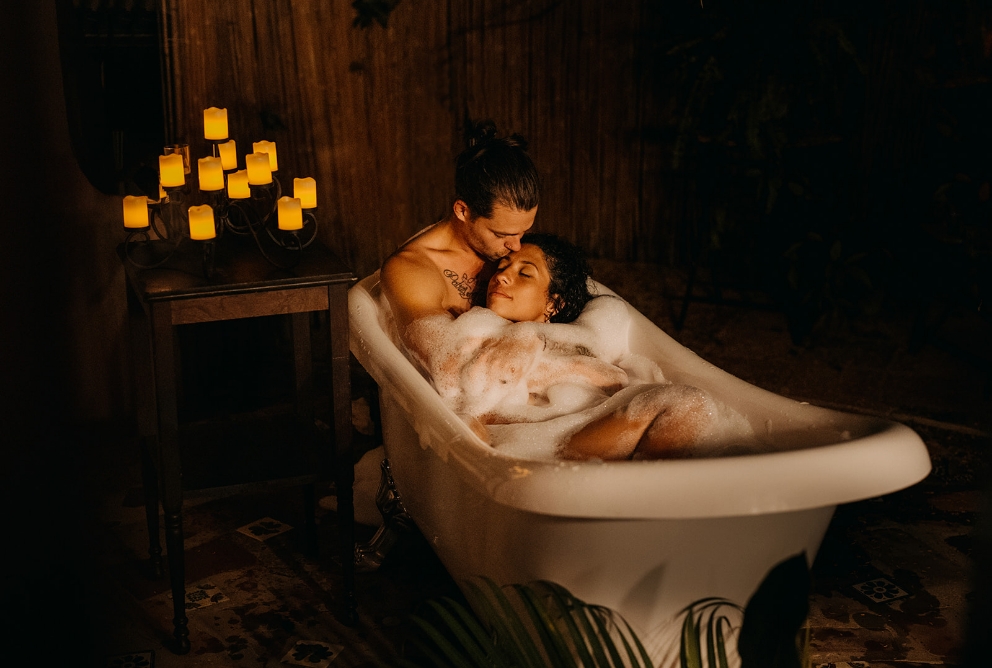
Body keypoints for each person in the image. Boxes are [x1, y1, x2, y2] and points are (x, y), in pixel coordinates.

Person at [405, 232, 729, 461]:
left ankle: (649, 508)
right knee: (465, 433)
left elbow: (614, 379)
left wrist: (535, 355)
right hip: (530, 452)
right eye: (502, 267)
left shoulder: (567, 339)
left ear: (552, 305)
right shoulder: (470, 335)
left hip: (574, 435)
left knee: (688, 402)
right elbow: (469, 405)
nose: (502, 277)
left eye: (524, 274)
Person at [380, 119, 541, 362]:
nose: (516, 247)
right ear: (462, 211)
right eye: (501, 235)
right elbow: (448, 361)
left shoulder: (515, 250)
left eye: (524, 232)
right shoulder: (411, 270)